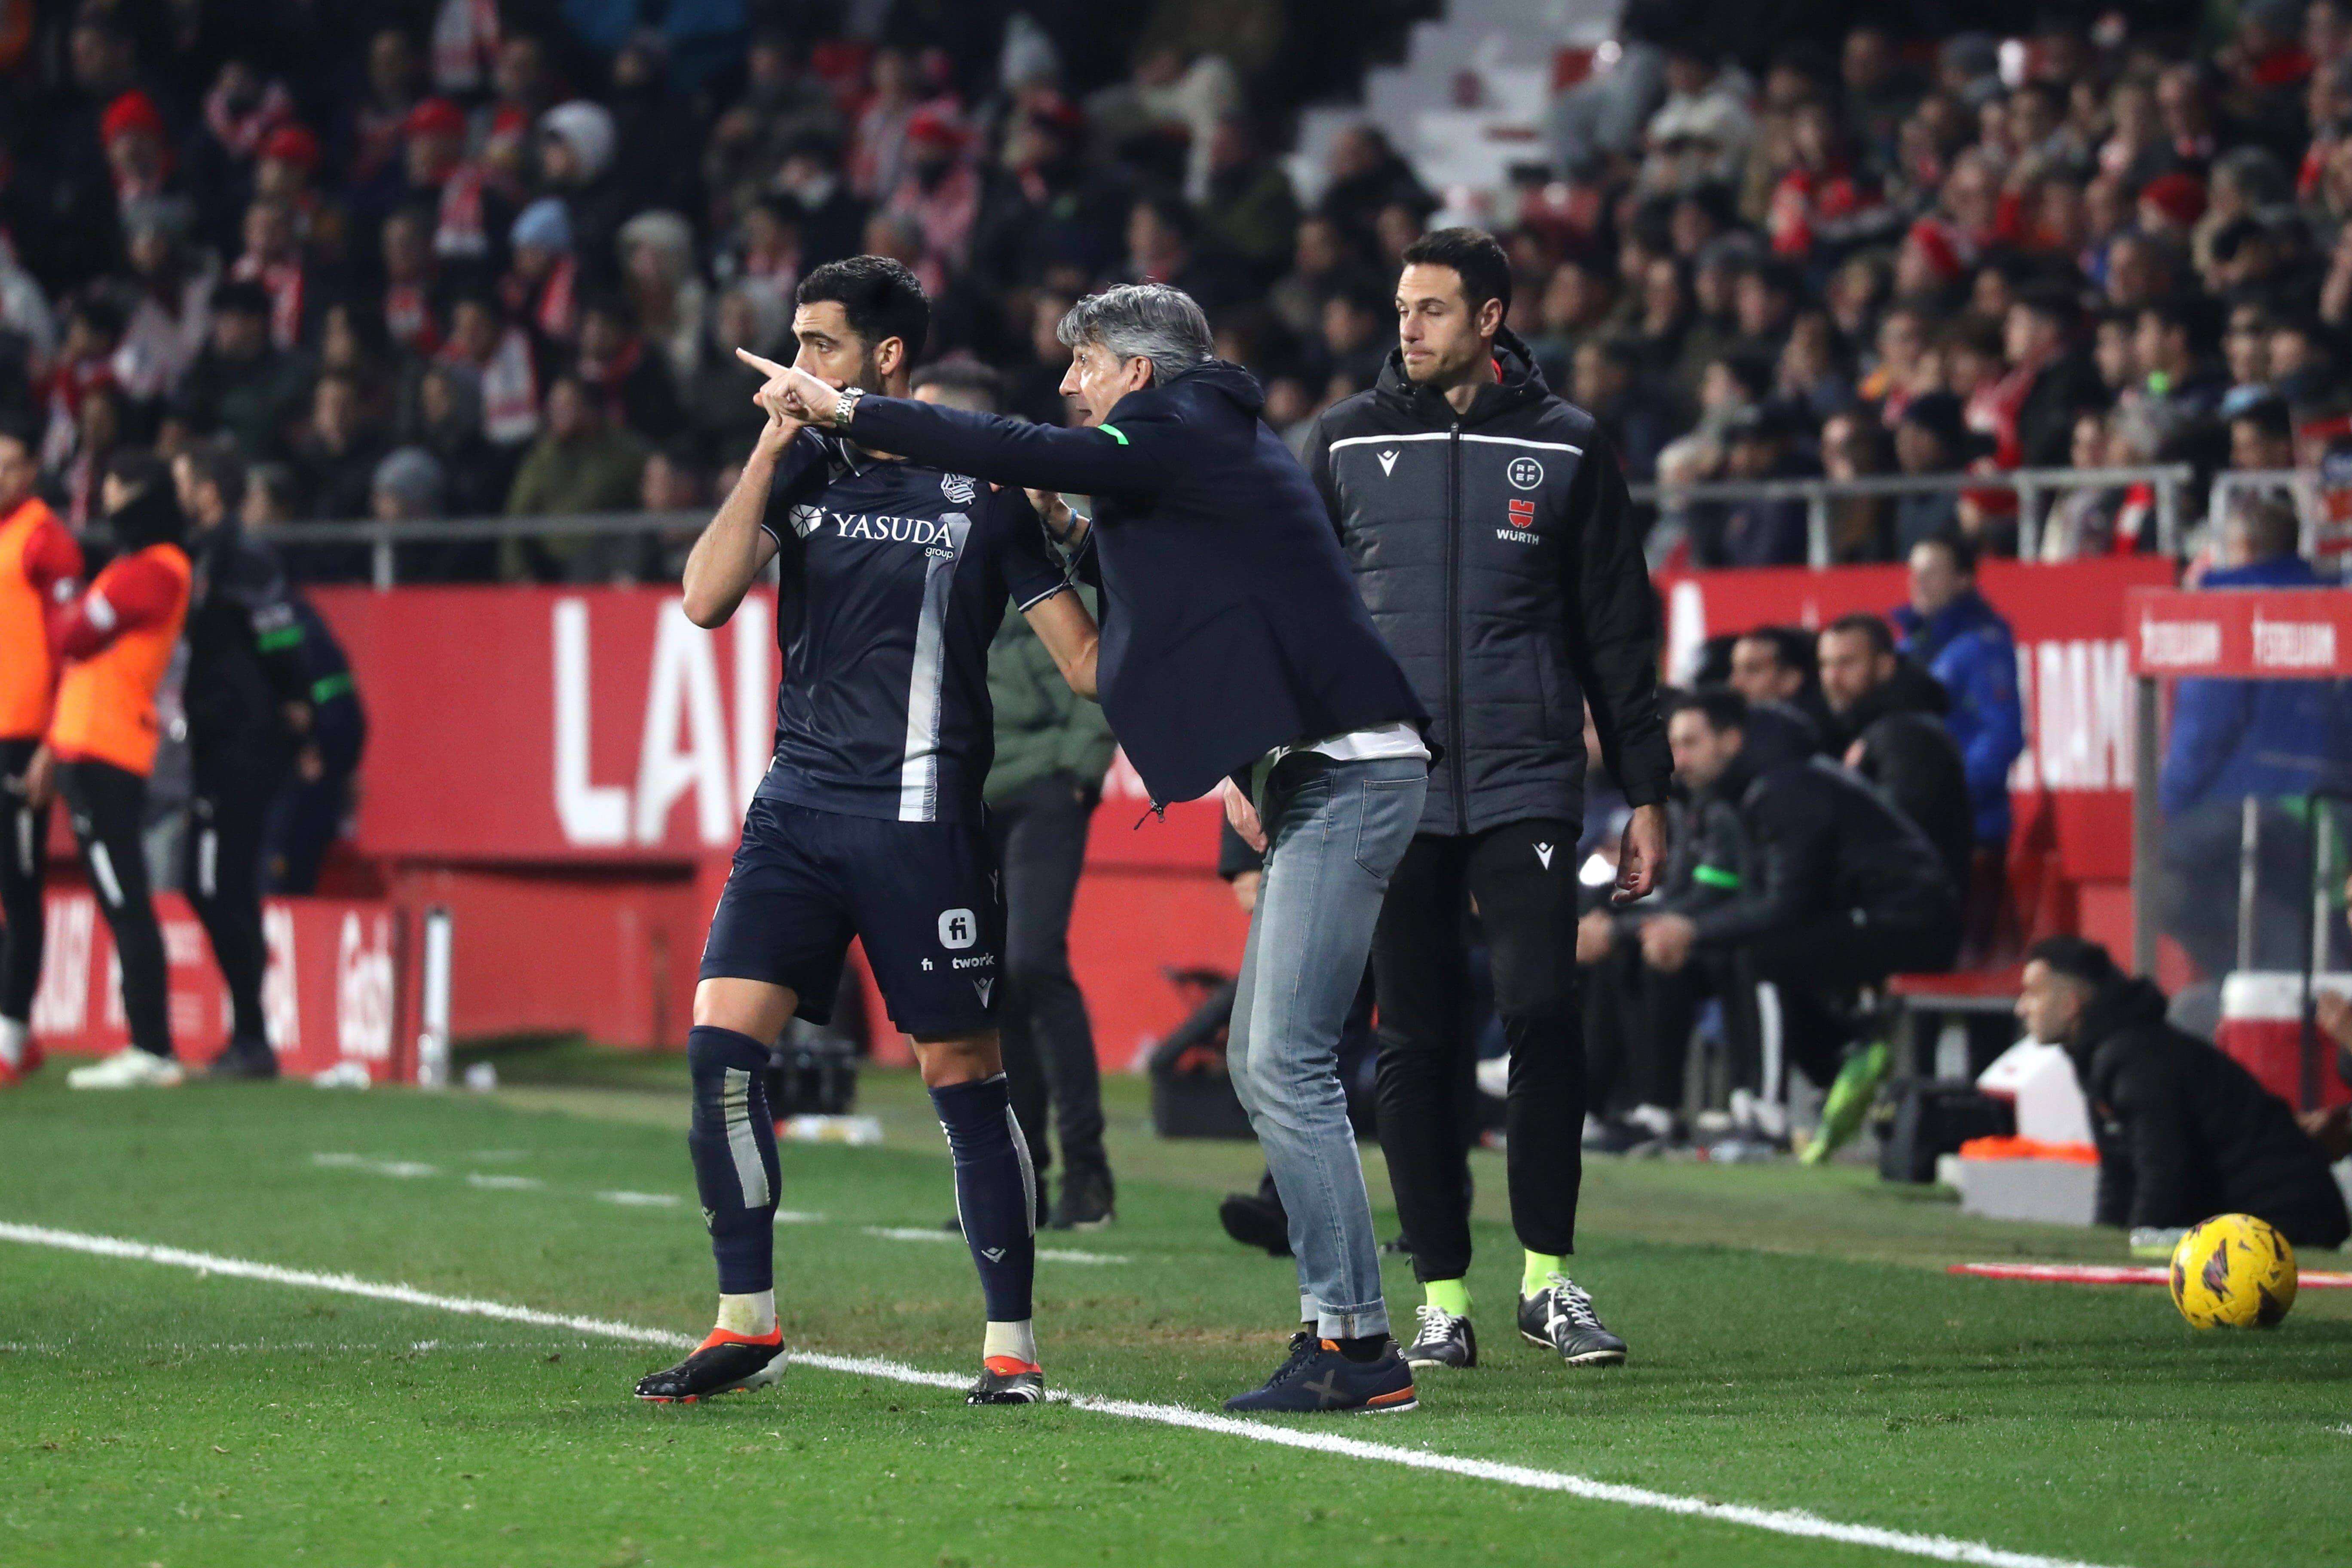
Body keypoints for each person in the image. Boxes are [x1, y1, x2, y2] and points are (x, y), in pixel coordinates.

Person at [764, 282, 1439, 1415]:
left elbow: (1013, 442)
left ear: (1136, 370)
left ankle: (1358, 1344)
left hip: (1352, 768)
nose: (1068, 386)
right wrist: (1238, 758)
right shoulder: (1198, 449)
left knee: (1282, 1062)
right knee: (1271, 1061)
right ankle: (1342, 1330)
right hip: (1321, 768)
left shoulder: (1181, 429)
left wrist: (847, 411)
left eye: (1083, 365)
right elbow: (1205, 605)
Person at [633, 257, 1103, 1409]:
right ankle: (746, 1318)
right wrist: (769, 450)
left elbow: (1085, 664)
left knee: (961, 1074)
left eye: (821, 345)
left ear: (887, 360)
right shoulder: (805, 474)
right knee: (720, 1053)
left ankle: (1011, 1345)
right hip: (795, 813)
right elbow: (702, 598)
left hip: (922, 825)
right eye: (795, 344)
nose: (801, 365)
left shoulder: (987, 498)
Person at [1299, 227, 1670, 1374]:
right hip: (1388, 779)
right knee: (1412, 1035)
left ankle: (1549, 1283)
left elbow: (1618, 630)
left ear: (1492, 319)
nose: (1405, 326)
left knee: (1543, 1013)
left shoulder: (1567, 446)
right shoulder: (1344, 443)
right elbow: (1299, 621)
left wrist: (1648, 793)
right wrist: (1268, 771)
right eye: (1401, 306)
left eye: (1432, 309)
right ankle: (1442, 1297)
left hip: (1524, 779)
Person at [915, 360, 1120, 1231]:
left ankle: (1090, 1173)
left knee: (1034, 962)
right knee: (987, 982)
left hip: (1042, 782)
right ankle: (1022, 1173)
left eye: (920, 423)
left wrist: (1080, 766)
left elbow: (1106, 642)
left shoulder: (1034, 516)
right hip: (964, 792)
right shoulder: (911, 526)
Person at [1636, 688, 1960, 1160]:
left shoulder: (1786, 788)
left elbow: (1785, 905)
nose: (1678, 760)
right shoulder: (1755, 787)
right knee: (1732, 952)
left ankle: (1769, 1115)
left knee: (1762, 957)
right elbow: (1759, 897)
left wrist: (1691, 929)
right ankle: (1800, 1078)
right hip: (1863, 918)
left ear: (1730, 740)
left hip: (1908, 922)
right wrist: (1681, 930)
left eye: (1690, 744)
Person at [2016, 936, 2350, 1250]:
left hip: (2287, 1217)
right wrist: (2103, 1250)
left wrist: (2133, 1253)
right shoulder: (2108, 1053)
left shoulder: (2136, 1058)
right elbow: (2120, 1172)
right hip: (2266, 1213)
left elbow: (2163, 1173)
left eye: (2033, 993)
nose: (2021, 1008)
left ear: (2071, 1002)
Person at [42, 454, 193, 1088]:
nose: (107, 501)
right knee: (120, 895)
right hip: (87, 745)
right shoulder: (133, 569)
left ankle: (151, 1046)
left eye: (116, 487)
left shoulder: (154, 570)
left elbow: (72, 635)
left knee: (125, 896)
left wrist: (78, 607)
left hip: (110, 748)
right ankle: (150, 1045)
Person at [172, 441, 317, 1077]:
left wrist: (295, 696)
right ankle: (249, 1034)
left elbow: (281, 629)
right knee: (209, 887)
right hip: (216, 742)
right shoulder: (205, 552)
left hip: (243, 745)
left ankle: (254, 1037)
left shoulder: (242, 554)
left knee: (219, 886)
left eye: (183, 480)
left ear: (207, 490)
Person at [1891, 530, 2025, 956]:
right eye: (1914, 572)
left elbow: (2002, 735)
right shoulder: (1909, 646)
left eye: (1932, 573)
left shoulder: (1981, 646)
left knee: (1964, 961)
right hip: (1916, 827)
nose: (1918, 583)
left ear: (1965, 580)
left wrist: (1950, 795)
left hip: (1972, 831)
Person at [0, 429, 82, 1086]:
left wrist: (54, 742)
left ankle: (12, 1038)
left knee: (20, 888)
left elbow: (68, 650)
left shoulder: (44, 539)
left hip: (23, 741)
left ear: (31, 469)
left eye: (11, 464)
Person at [1815, 613, 1973, 910]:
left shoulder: (1904, 736)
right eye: (1825, 664)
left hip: (1908, 914)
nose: (1832, 678)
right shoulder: (1869, 727)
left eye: (1847, 663)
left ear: (1885, 666)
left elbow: (1897, 830)